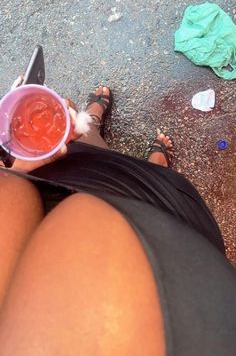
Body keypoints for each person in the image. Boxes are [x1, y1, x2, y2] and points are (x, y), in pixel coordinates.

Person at [0, 85, 235, 356]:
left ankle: (93, 123)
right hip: (173, 243)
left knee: (78, 149)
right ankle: (151, 167)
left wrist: (18, 166)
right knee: (132, 179)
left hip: (42, 182)